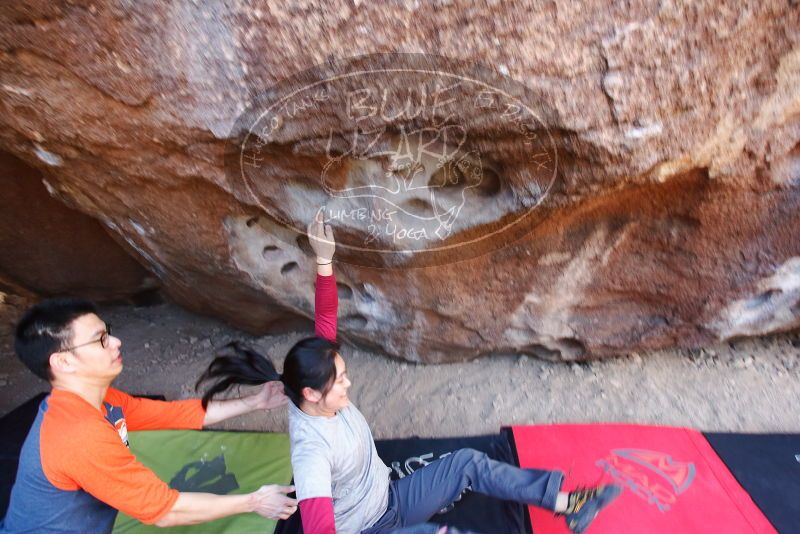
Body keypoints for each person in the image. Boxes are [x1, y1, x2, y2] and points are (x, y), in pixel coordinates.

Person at [198, 220, 622, 534]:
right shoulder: (311, 454)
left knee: (467, 463)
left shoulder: (312, 379)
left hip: (391, 496)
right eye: (339, 381)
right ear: (311, 393)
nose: (348, 384)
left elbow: (325, 321)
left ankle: (566, 503)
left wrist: (324, 260)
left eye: (343, 374)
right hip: (372, 529)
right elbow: (320, 529)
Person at [0, 218, 336, 533]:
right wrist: (253, 501)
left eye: (109, 332)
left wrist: (254, 401)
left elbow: (174, 414)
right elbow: (165, 511)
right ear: (63, 363)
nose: (116, 342)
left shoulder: (101, 402)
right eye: (100, 340)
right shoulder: (78, 435)